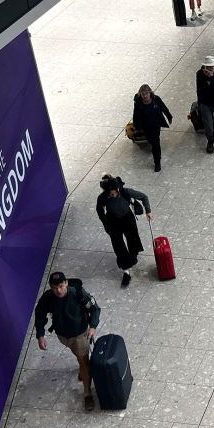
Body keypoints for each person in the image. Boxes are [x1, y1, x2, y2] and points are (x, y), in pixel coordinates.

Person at [33, 272, 100, 410]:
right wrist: (40, 335)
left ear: (66, 284)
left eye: (61, 286)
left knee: (84, 361)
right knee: (80, 357)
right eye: (54, 287)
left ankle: (87, 394)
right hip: (63, 337)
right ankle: (82, 369)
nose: (58, 290)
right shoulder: (47, 298)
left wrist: (92, 327)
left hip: (81, 334)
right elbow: (39, 314)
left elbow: (94, 308)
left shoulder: (77, 293)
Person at [96, 175, 151, 286]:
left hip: (127, 217)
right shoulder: (103, 197)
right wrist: (105, 223)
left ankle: (133, 256)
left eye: (116, 192)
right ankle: (126, 270)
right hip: (112, 220)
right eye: (111, 194)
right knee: (118, 245)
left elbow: (144, 197)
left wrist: (148, 211)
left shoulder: (126, 191)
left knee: (133, 239)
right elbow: (99, 210)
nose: (114, 195)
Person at [132, 84, 172, 172]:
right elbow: (136, 115)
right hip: (145, 126)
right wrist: (137, 127)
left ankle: (157, 162)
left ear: (150, 93)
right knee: (151, 140)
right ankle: (154, 150)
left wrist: (169, 116)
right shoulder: (138, 103)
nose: (145, 96)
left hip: (155, 125)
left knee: (155, 143)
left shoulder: (156, 100)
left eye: (146, 93)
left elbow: (163, 108)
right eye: (143, 94)